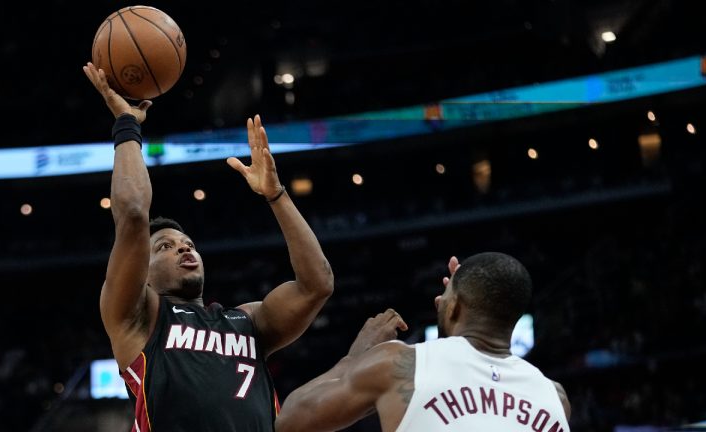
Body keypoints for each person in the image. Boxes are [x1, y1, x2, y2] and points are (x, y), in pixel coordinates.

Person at [82, 62, 334, 431]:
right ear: (143, 274)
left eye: (188, 244)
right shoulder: (139, 316)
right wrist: (126, 123)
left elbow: (317, 285)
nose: (184, 250)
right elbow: (134, 212)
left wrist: (276, 195)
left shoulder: (246, 322)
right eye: (165, 247)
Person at [275, 252, 570, 432]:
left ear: (453, 308)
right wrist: (462, 297)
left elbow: (290, 421)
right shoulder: (555, 397)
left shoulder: (400, 364)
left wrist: (357, 356)